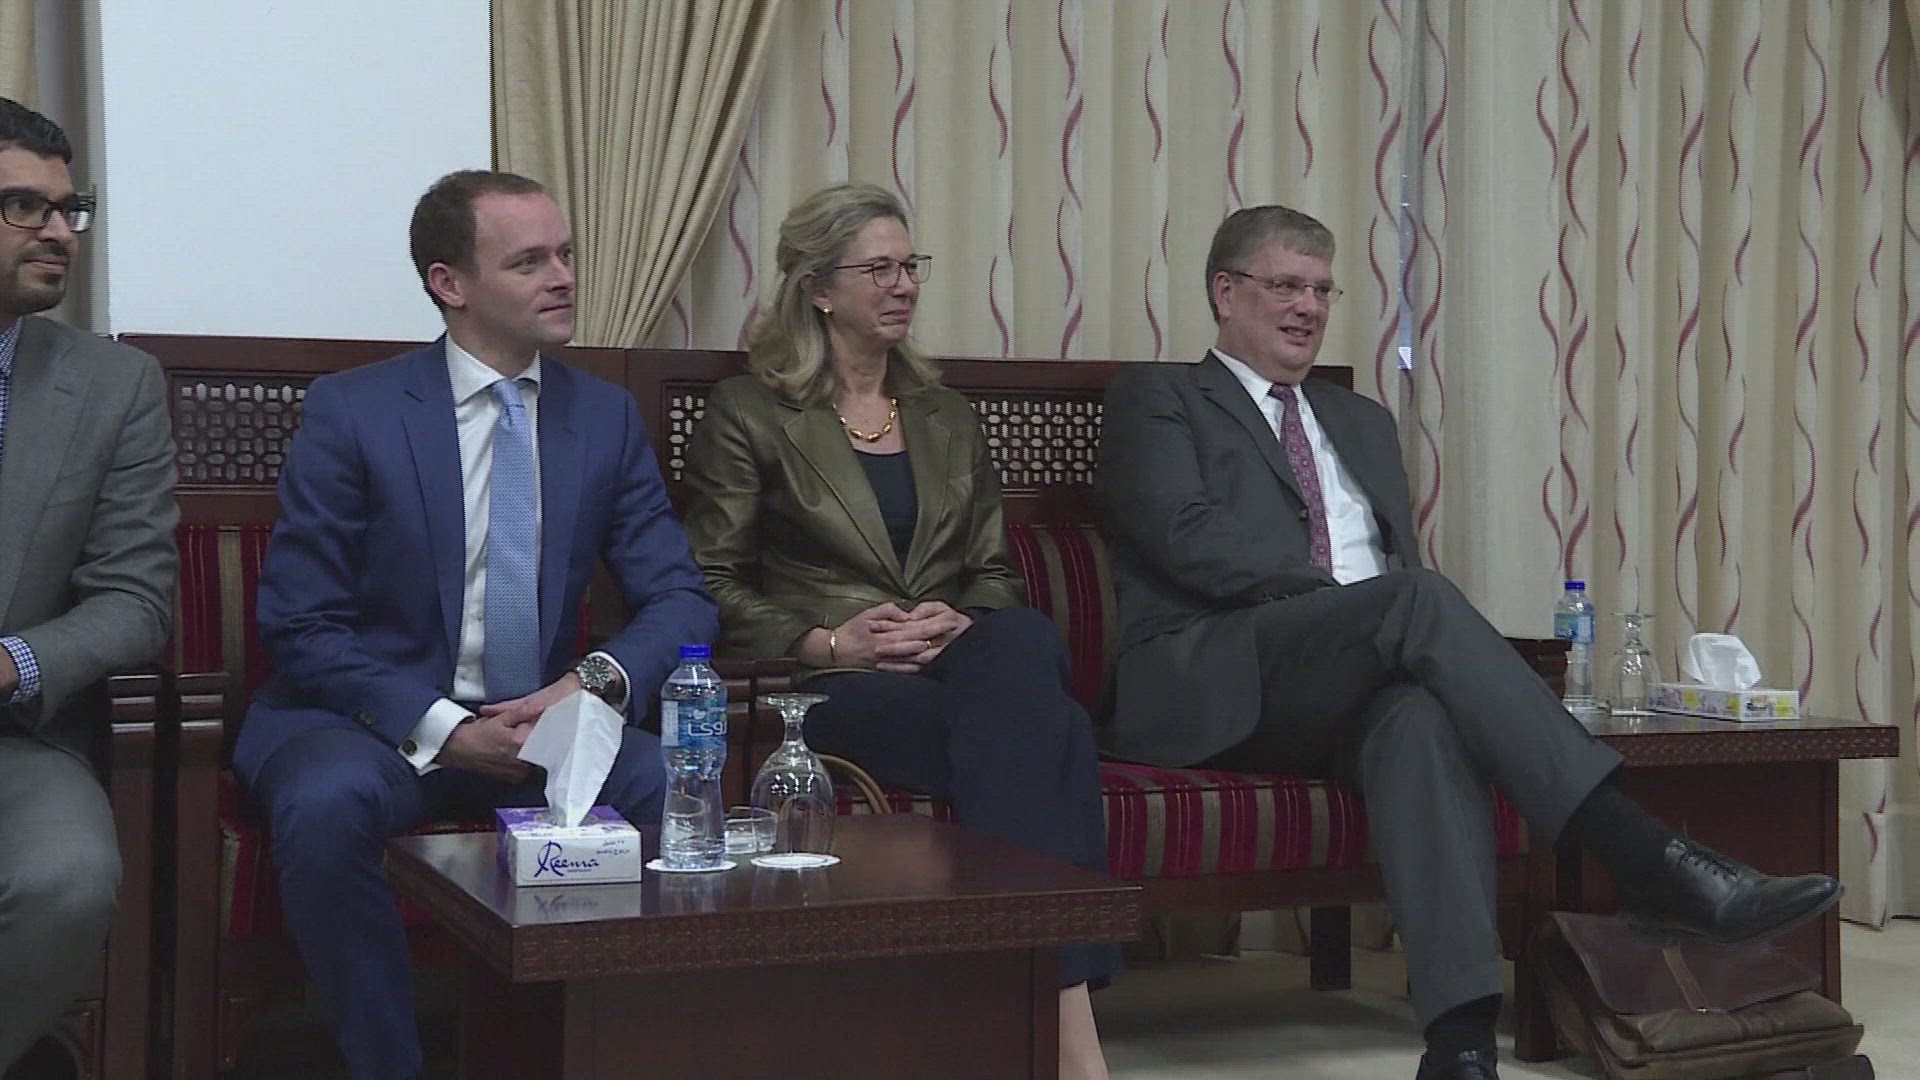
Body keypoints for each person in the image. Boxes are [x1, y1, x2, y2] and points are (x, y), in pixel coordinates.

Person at [1095, 204, 1841, 1080]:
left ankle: (1458, 1044)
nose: (1308, 307)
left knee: (1418, 720)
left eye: (1323, 291)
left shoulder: (1361, 421)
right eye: (1286, 286)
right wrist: (1359, 610)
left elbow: (1397, 569)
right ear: (1226, 293)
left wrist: (1378, 620)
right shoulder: (1158, 397)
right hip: (1220, 672)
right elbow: (1185, 536)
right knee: (1413, 603)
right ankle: (1648, 858)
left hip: (1353, 678)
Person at [233, 169, 717, 1080]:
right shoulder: (356, 411)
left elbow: (681, 598)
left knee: (667, 783)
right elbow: (301, 623)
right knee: (325, 803)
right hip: (372, 725)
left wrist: (588, 686)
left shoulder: (602, 417)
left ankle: (609, 1052)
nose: (563, 277)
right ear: (448, 283)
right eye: (529, 261)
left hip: (541, 725)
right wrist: (447, 730)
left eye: (565, 254)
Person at [681, 182, 1117, 1080]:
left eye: (910, 265)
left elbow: (993, 570)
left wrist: (965, 617)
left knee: (1022, 639)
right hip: (834, 684)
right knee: (1057, 730)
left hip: (959, 666)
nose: (904, 284)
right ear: (817, 288)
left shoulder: (944, 413)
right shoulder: (750, 412)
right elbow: (710, 581)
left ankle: (1029, 1013)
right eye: (878, 268)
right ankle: (1065, 1024)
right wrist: (829, 641)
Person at [0, 97, 178, 1072]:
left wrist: (12, 663)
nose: (61, 232)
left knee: (68, 878)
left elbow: (137, 598)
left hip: (17, 736)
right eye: (24, 206)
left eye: (70, 209)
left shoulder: (115, 386)